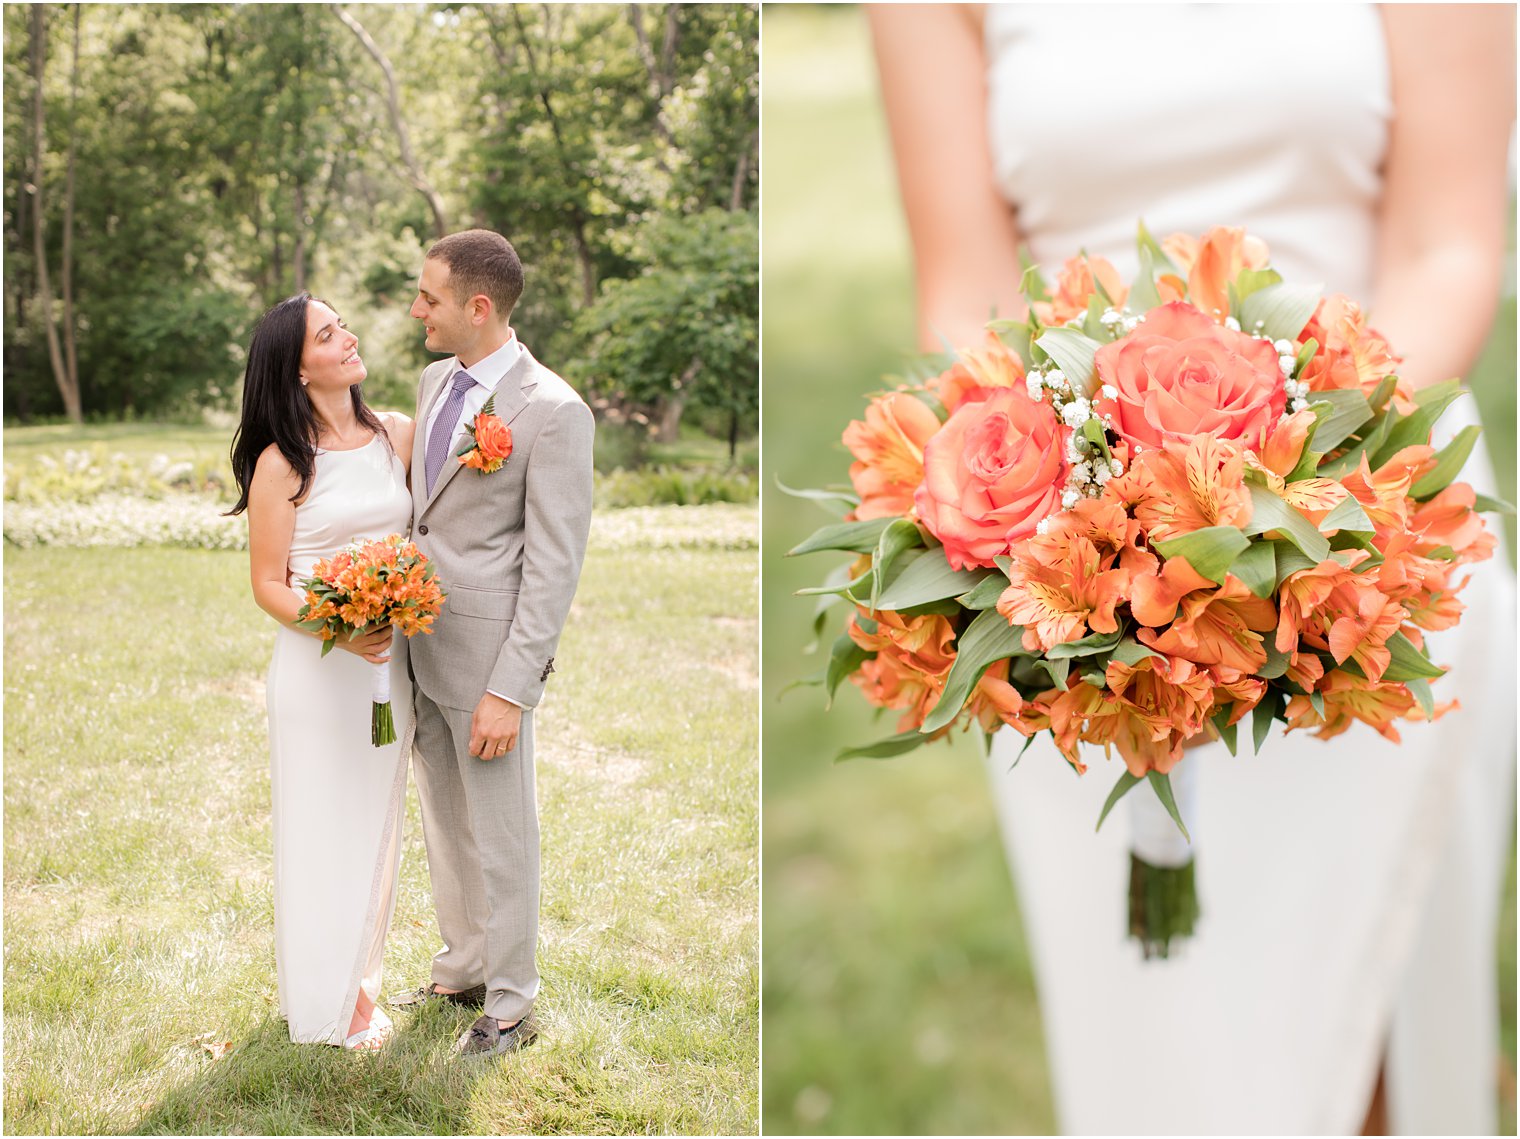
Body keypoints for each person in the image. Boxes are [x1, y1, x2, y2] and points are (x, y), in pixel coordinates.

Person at [869, 4, 1515, 1134]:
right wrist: (1088, 515)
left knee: (1352, 1017)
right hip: (1069, 575)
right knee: (1156, 1048)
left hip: (1367, 538)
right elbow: (963, 291)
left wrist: (1295, 492)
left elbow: (1444, 246)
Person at [388, 229, 595, 1058]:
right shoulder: (437, 379)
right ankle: (463, 966)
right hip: (418, 643)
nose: (416, 310)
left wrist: (514, 688)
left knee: (503, 832)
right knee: (444, 817)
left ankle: (511, 1003)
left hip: (488, 661)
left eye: (429, 297)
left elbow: (554, 564)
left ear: (479, 307)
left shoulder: (553, 410)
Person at [228, 294, 416, 1051]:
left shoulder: (395, 433)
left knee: (376, 823)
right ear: (296, 367)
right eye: (327, 334)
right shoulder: (283, 462)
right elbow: (268, 584)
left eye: (343, 326)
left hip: (387, 671)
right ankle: (324, 1003)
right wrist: (340, 623)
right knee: (319, 825)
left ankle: (358, 983)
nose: (348, 338)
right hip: (318, 668)